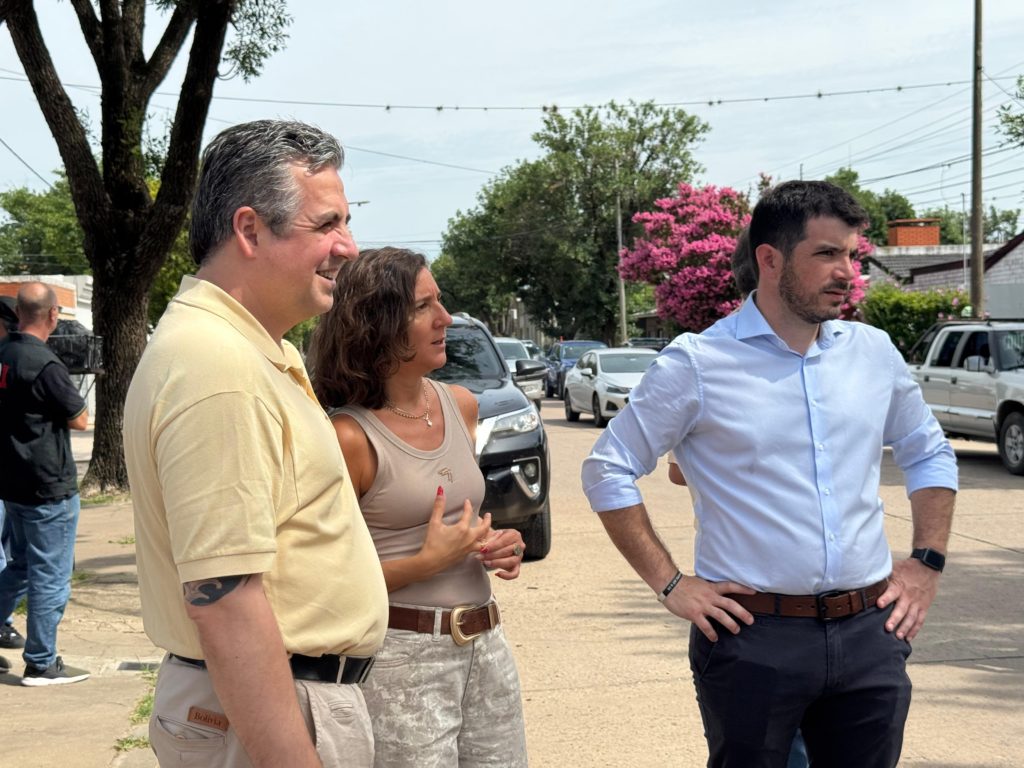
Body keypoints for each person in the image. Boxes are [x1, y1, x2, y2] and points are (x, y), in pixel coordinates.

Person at [582, 180, 958, 768]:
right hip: (753, 638)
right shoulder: (698, 363)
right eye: (827, 253)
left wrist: (927, 563)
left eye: (851, 255)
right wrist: (672, 584)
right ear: (770, 258)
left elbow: (928, 451)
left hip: (870, 633)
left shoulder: (873, 352)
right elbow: (608, 468)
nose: (847, 273)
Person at [123, 120, 388, 767]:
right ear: (249, 229)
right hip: (267, 714)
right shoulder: (217, 365)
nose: (348, 246)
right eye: (326, 224)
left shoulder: (248, 349)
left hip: (275, 703)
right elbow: (225, 600)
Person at [310, 247, 529, 767]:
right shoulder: (347, 437)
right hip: (401, 660)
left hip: (487, 646)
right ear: (377, 323)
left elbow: (454, 522)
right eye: (423, 306)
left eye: (440, 301)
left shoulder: (462, 405)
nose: (445, 318)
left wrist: (499, 545)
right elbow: (322, 582)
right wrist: (425, 564)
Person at [0, 282, 90, 685]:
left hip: (12, 482)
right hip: (47, 485)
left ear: (19, 312)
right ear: (53, 314)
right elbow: (79, 417)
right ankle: (41, 662)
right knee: (49, 574)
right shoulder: (45, 363)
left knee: (20, 565)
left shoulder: (4, 354)